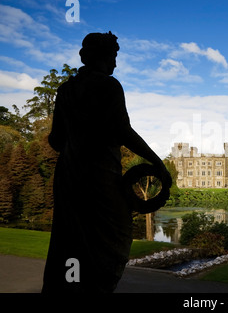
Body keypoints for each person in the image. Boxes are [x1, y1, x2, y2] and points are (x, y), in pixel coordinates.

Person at [42, 32, 171, 293]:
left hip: (69, 175)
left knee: (71, 238)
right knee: (113, 237)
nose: (115, 63)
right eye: (113, 56)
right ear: (100, 57)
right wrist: (158, 162)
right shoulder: (109, 86)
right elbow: (124, 131)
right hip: (100, 175)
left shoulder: (66, 90)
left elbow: (56, 140)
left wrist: (77, 138)